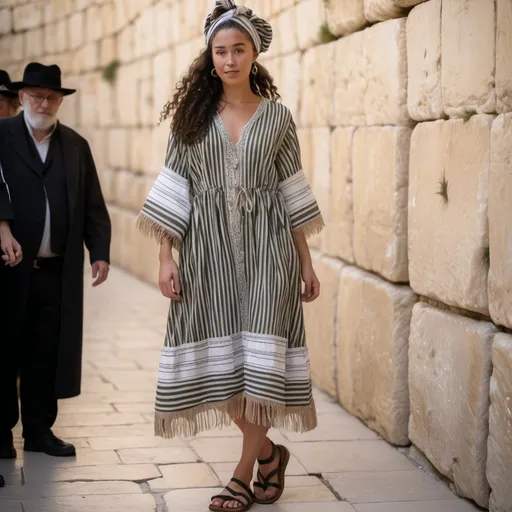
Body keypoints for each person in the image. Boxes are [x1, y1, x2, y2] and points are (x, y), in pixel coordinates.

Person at [137, 1, 323, 510]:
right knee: (223, 371)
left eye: (238, 49)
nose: (229, 59)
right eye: (220, 51)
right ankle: (269, 455)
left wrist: (305, 262)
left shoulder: (278, 117)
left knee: (260, 368)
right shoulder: (192, 118)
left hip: (270, 255)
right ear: (210, 56)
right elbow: (174, 189)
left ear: (254, 52)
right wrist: (165, 256)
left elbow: (291, 192)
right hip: (206, 255)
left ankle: (241, 475)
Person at [0, 62, 111, 460]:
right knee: (5, 347)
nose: (43, 103)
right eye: (35, 96)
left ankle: (39, 431)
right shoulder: (2, 134)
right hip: (7, 270)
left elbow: (94, 205)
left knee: (46, 351)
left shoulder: (75, 145)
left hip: (55, 271)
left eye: (50, 97)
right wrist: (2, 224)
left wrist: (99, 252)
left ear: (60, 100)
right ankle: (0, 436)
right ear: (22, 98)